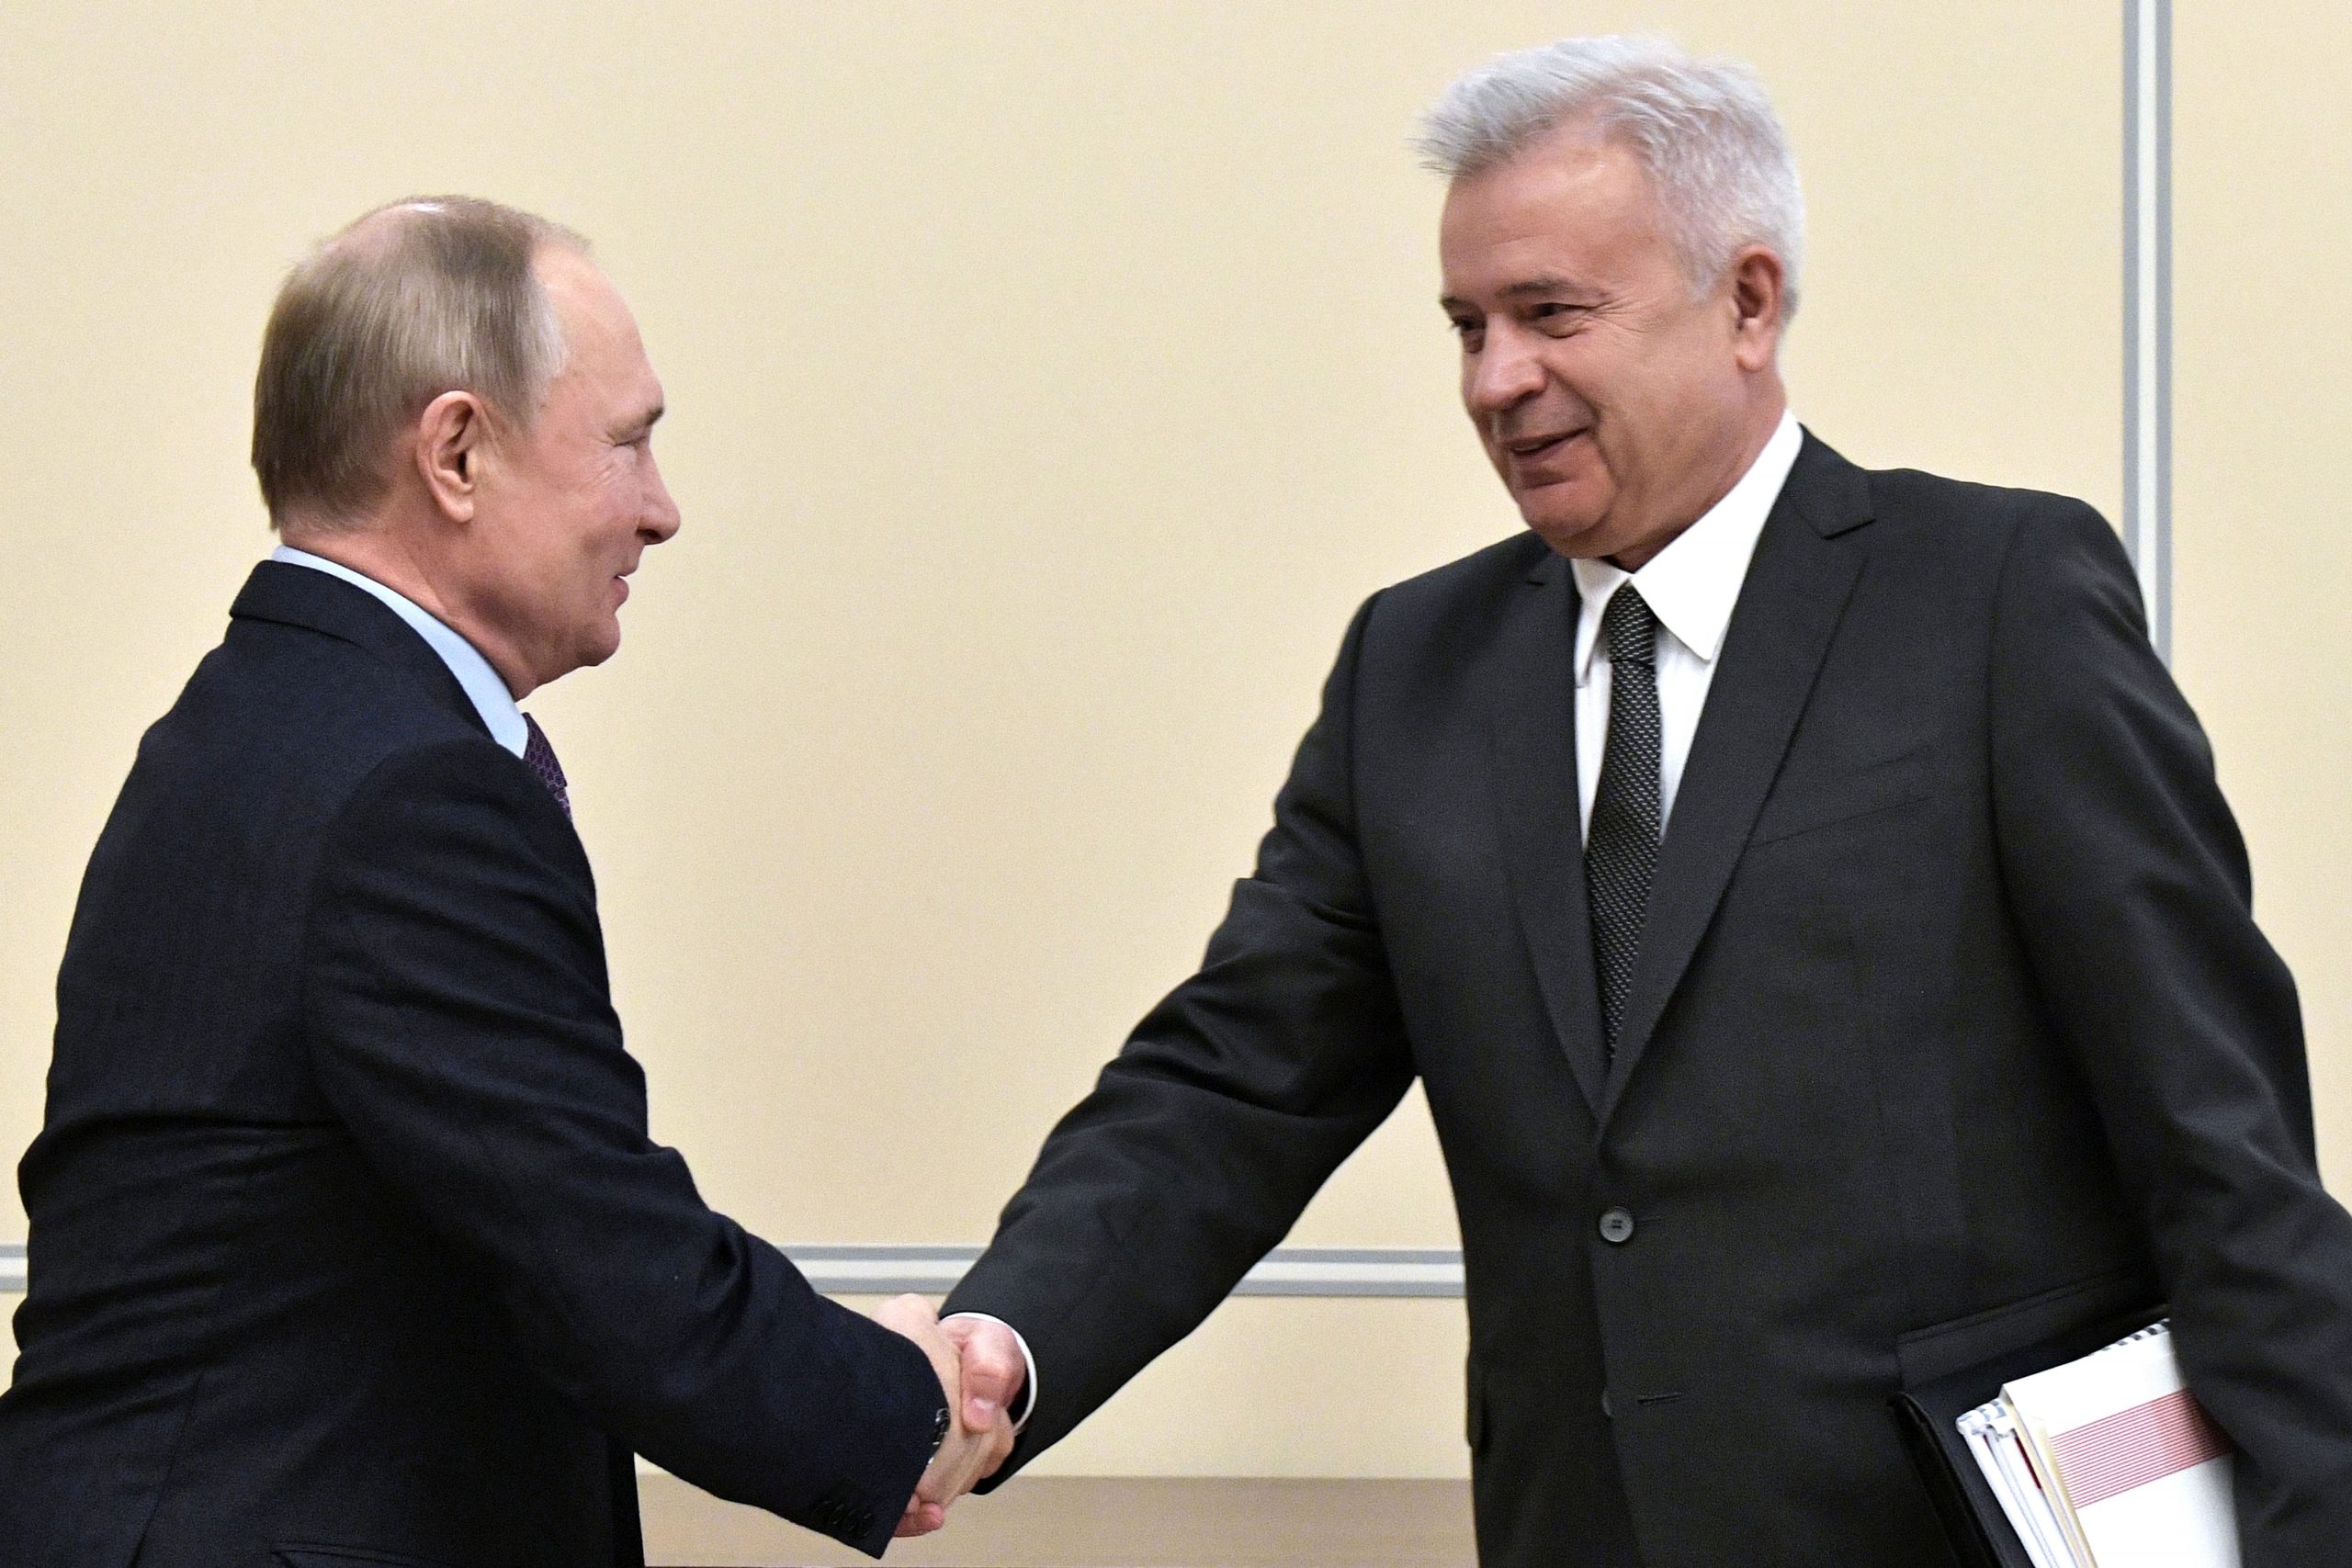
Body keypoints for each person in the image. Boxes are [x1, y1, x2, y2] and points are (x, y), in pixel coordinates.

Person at [929, 36, 2352, 1567]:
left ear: (1746, 300)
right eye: (1467, 325)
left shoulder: (1996, 600)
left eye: (1550, 315)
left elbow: (2216, 1139)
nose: (1494, 380)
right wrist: (1008, 1339)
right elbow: (1232, 1086)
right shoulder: (1412, 669)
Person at [0, 197, 1008, 1566]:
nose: (662, 511)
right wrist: (897, 1405)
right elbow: (603, 1262)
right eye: (629, 442)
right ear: (458, 451)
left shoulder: (262, 725)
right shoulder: (407, 792)